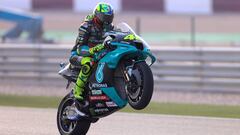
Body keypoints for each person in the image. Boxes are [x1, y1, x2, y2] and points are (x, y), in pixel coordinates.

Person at [69, 2, 114, 102]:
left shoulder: (110, 27)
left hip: (98, 54)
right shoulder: (86, 26)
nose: (107, 19)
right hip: (78, 55)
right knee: (89, 63)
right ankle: (77, 90)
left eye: (109, 17)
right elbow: (79, 48)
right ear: (97, 15)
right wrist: (94, 49)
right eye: (105, 17)